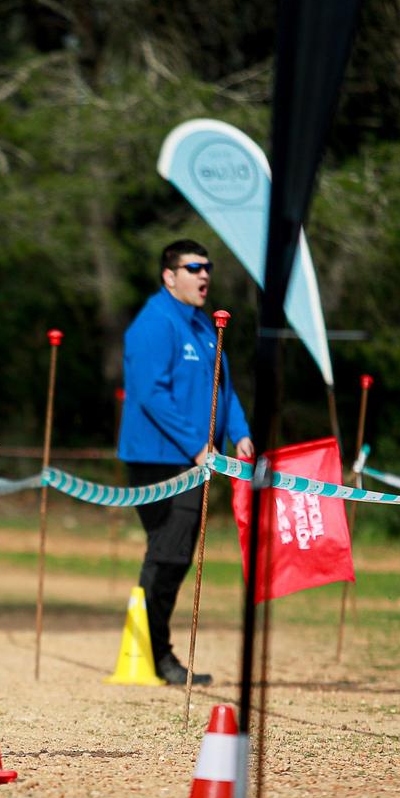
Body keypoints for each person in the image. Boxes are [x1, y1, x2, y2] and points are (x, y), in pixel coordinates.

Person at [118, 239, 254, 685]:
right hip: (160, 461)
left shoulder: (203, 325)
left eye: (207, 267)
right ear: (169, 276)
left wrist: (241, 434)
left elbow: (224, 389)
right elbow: (152, 394)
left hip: (197, 461)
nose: (204, 275)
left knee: (173, 556)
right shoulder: (154, 324)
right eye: (193, 267)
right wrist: (198, 446)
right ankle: (157, 656)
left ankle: (152, 652)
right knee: (169, 554)